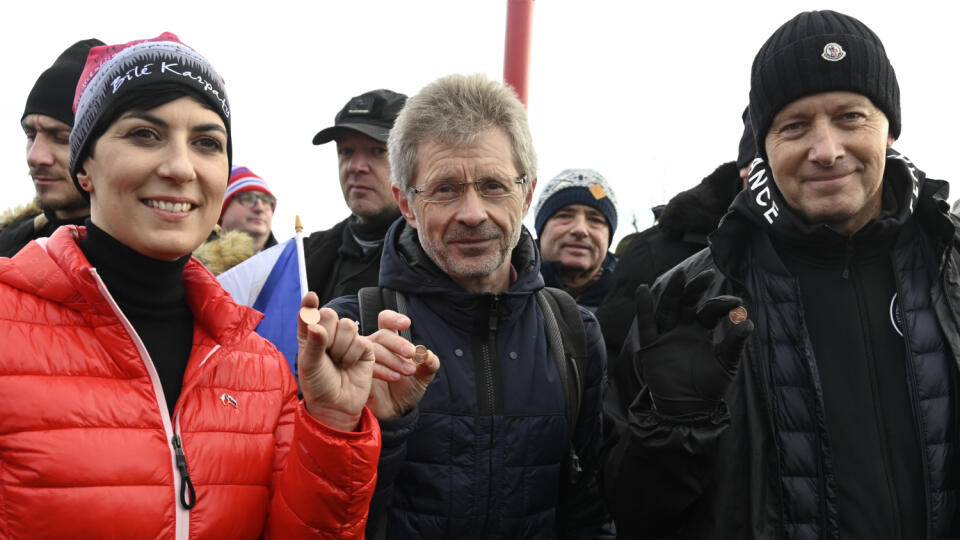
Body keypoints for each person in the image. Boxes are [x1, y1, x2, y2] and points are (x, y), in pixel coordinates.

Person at [0, 33, 428, 538]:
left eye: (206, 143)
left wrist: (332, 425)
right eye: (143, 134)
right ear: (85, 164)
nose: (180, 168)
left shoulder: (262, 362)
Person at [604, 10, 959, 539]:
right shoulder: (692, 298)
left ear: (888, 129)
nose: (826, 150)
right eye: (794, 126)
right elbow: (630, 516)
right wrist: (673, 428)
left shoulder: (951, 270)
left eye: (850, 117)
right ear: (764, 146)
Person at [326, 73, 613, 539]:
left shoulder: (574, 333)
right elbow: (320, 518)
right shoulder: (353, 332)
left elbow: (588, 512)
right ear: (406, 203)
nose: (473, 212)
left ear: (527, 194)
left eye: (494, 186)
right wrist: (376, 430)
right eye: (444, 189)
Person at [595, 112, 753, 366]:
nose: (825, 153)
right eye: (793, 128)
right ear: (747, 168)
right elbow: (615, 375)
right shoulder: (654, 253)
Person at [0, 38, 103, 257]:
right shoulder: (7, 246)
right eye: (30, 134)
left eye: (61, 138)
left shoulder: (168, 274)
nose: (35, 157)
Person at [303, 89, 407, 306]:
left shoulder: (441, 253)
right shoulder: (306, 257)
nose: (355, 167)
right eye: (346, 151)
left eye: (378, 151)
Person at [534, 168, 619, 312]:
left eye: (595, 220)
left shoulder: (634, 301)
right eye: (565, 216)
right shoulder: (501, 288)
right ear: (541, 230)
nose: (580, 230)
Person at [219, 165, 278, 252]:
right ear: (221, 212)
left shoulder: (295, 262)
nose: (260, 208)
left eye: (266, 200)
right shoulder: (193, 260)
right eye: (247, 198)